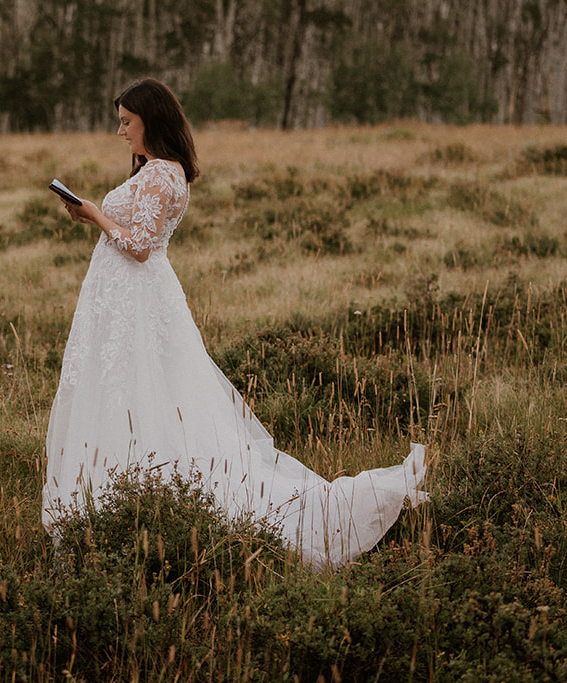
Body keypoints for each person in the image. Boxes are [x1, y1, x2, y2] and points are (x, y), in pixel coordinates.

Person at [43, 77, 427, 567]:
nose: (120, 132)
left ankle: (145, 508)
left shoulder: (163, 175)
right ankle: (114, 504)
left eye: (126, 122)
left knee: (144, 394)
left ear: (151, 121)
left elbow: (139, 247)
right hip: (125, 301)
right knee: (127, 393)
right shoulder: (157, 171)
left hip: (139, 299)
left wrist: (95, 216)